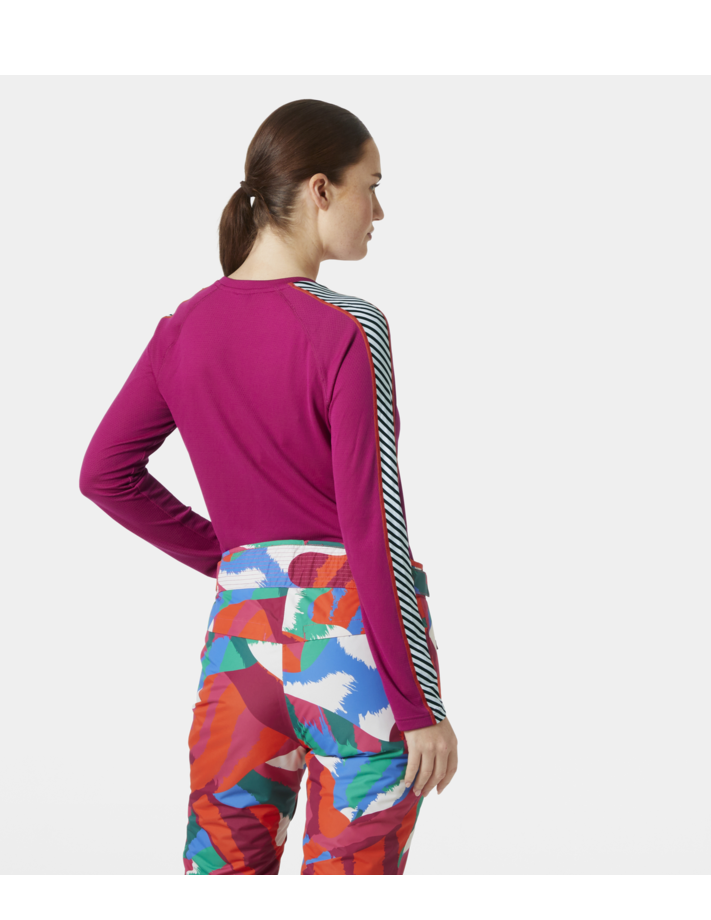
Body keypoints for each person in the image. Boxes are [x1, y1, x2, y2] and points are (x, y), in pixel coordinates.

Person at [79, 98, 458, 875]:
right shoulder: (348, 326)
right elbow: (373, 526)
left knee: (221, 874)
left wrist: (234, 558)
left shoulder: (184, 328)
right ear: (321, 190)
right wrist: (419, 705)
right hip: (351, 640)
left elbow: (106, 473)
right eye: (370, 187)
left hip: (241, 635)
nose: (378, 211)